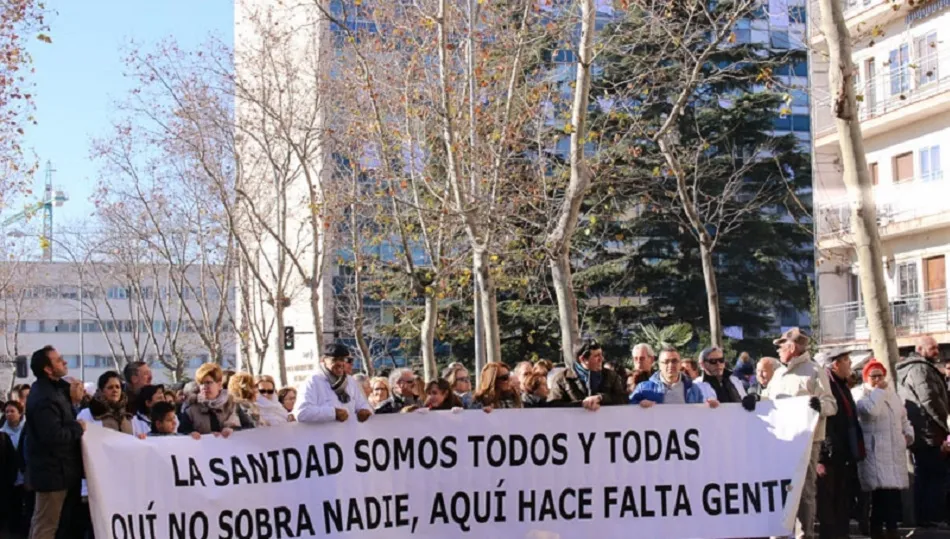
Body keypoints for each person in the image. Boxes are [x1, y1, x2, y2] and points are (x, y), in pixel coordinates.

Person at [764, 328, 837, 539]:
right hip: (779, 441)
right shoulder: (778, 373)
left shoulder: (815, 371)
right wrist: (754, 401)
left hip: (807, 441)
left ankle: (805, 534)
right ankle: (780, 532)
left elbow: (831, 405)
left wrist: (818, 405)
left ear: (792, 347)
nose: (777, 350)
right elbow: (766, 401)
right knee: (778, 488)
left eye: (780, 345)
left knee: (804, 491)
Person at [24, 346, 86, 539]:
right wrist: (78, 428)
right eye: (59, 360)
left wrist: (76, 398)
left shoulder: (54, 389)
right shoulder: (44, 398)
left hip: (61, 471)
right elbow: (54, 436)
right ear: (47, 369)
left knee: (51, 523)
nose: (65, 362)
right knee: (46, 525)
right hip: (52, 473)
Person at [853, 360, 913, 539]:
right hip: (875, 453)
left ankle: (893, 530)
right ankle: (876, 532)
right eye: (874, 376)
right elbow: (870, 411)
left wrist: (908, 434)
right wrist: (878, 391)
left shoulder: (892, 395)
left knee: (892, 497)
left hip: (894, 452)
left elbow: (903, 417)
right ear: (866, 378)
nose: (878, 379)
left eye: (881, 375)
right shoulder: (860, 394)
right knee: (878, 498)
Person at [896, 335, 950, 528]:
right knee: (933, 475)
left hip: (926, 431)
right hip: (927, 433)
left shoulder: (922, 368)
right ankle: (929, 517)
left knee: (928, 475)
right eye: (933, 348)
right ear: (920, 349)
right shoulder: (919, 369)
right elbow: (929, 399)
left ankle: (927, 517)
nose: (937, 351)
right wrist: (944, 423)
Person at [815, 349, 865, 539]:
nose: (850, 363)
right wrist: (829, 449)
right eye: (846, 360)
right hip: (829, 455)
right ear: (835, 364)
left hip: (843, 454)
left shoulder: (841, 385)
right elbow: (828, 421)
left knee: (842, 501)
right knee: (830, 504)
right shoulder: (827, 385)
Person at [295, 343, 373, 424]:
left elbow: (362, 404)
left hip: (349, 434)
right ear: (323, 360)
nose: (340, 364)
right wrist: (333, 413)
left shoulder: (350, 381)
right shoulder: (313, 381)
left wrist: (364, 410)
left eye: (343, 360)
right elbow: (302, 413)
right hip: (324, 435)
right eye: (335, 360)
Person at [630, 345, 718, 407]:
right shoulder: (643, 389)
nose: (671, 365)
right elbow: (627, 410)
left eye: (674, 361)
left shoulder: (693, 389)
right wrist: (639, 405)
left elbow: (701, 414)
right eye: (666, 361)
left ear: (680, 364)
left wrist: (710, 406)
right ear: (659, 365)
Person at [548, 341, 627, 409]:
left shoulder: (611, 376)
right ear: (582, 359)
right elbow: (553, 405)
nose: (601, 359)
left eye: (601, 354)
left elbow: (622, 399)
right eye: (596, 356)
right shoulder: (562, 379)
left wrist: (601, 398)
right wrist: (582, 404)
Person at [178, 362, 241, 437]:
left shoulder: (233, 405)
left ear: (219, 385)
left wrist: (232, 429)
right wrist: (190, 434)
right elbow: (181, 433)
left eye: (208, 382)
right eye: (201, 383)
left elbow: (249, 429)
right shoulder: (191, 410)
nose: (204, 387)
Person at [1, 401, 26, 536]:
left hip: (24, 475)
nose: (9, 414)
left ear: (20, 413)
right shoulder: (2, 433)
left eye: (12, 411)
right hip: (9, 477)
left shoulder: (26, 429)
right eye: (7, 412)